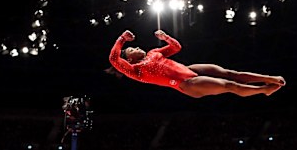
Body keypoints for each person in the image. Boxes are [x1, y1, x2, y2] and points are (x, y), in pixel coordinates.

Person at [107, 29, 285, 98]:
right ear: (129, 59)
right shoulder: (135, 71)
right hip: (187, 84)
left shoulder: (153, 52)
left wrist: (165, 37)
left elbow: (176, 48)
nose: (136, 47)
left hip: (189, 70)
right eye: (132, 49)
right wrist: (122, 39)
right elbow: (114, 59)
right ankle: (264, 89)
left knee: (230, 73)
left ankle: (269, 78)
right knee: (229, 85)